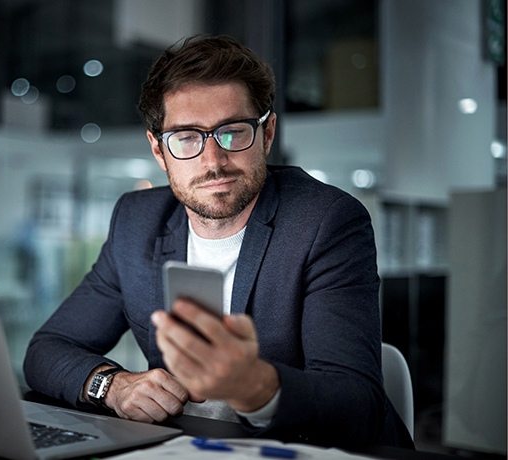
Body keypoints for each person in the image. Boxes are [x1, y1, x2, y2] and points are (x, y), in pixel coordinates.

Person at [22, 35, 413, 448]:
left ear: (267, 134)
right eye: (187, 138)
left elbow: (358, 406)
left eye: (233, 131)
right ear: (159, 149)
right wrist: (112, 387)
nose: (213, 161)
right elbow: (48, 349)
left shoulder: (326, 222)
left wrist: (255, 387)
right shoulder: (136, 222)